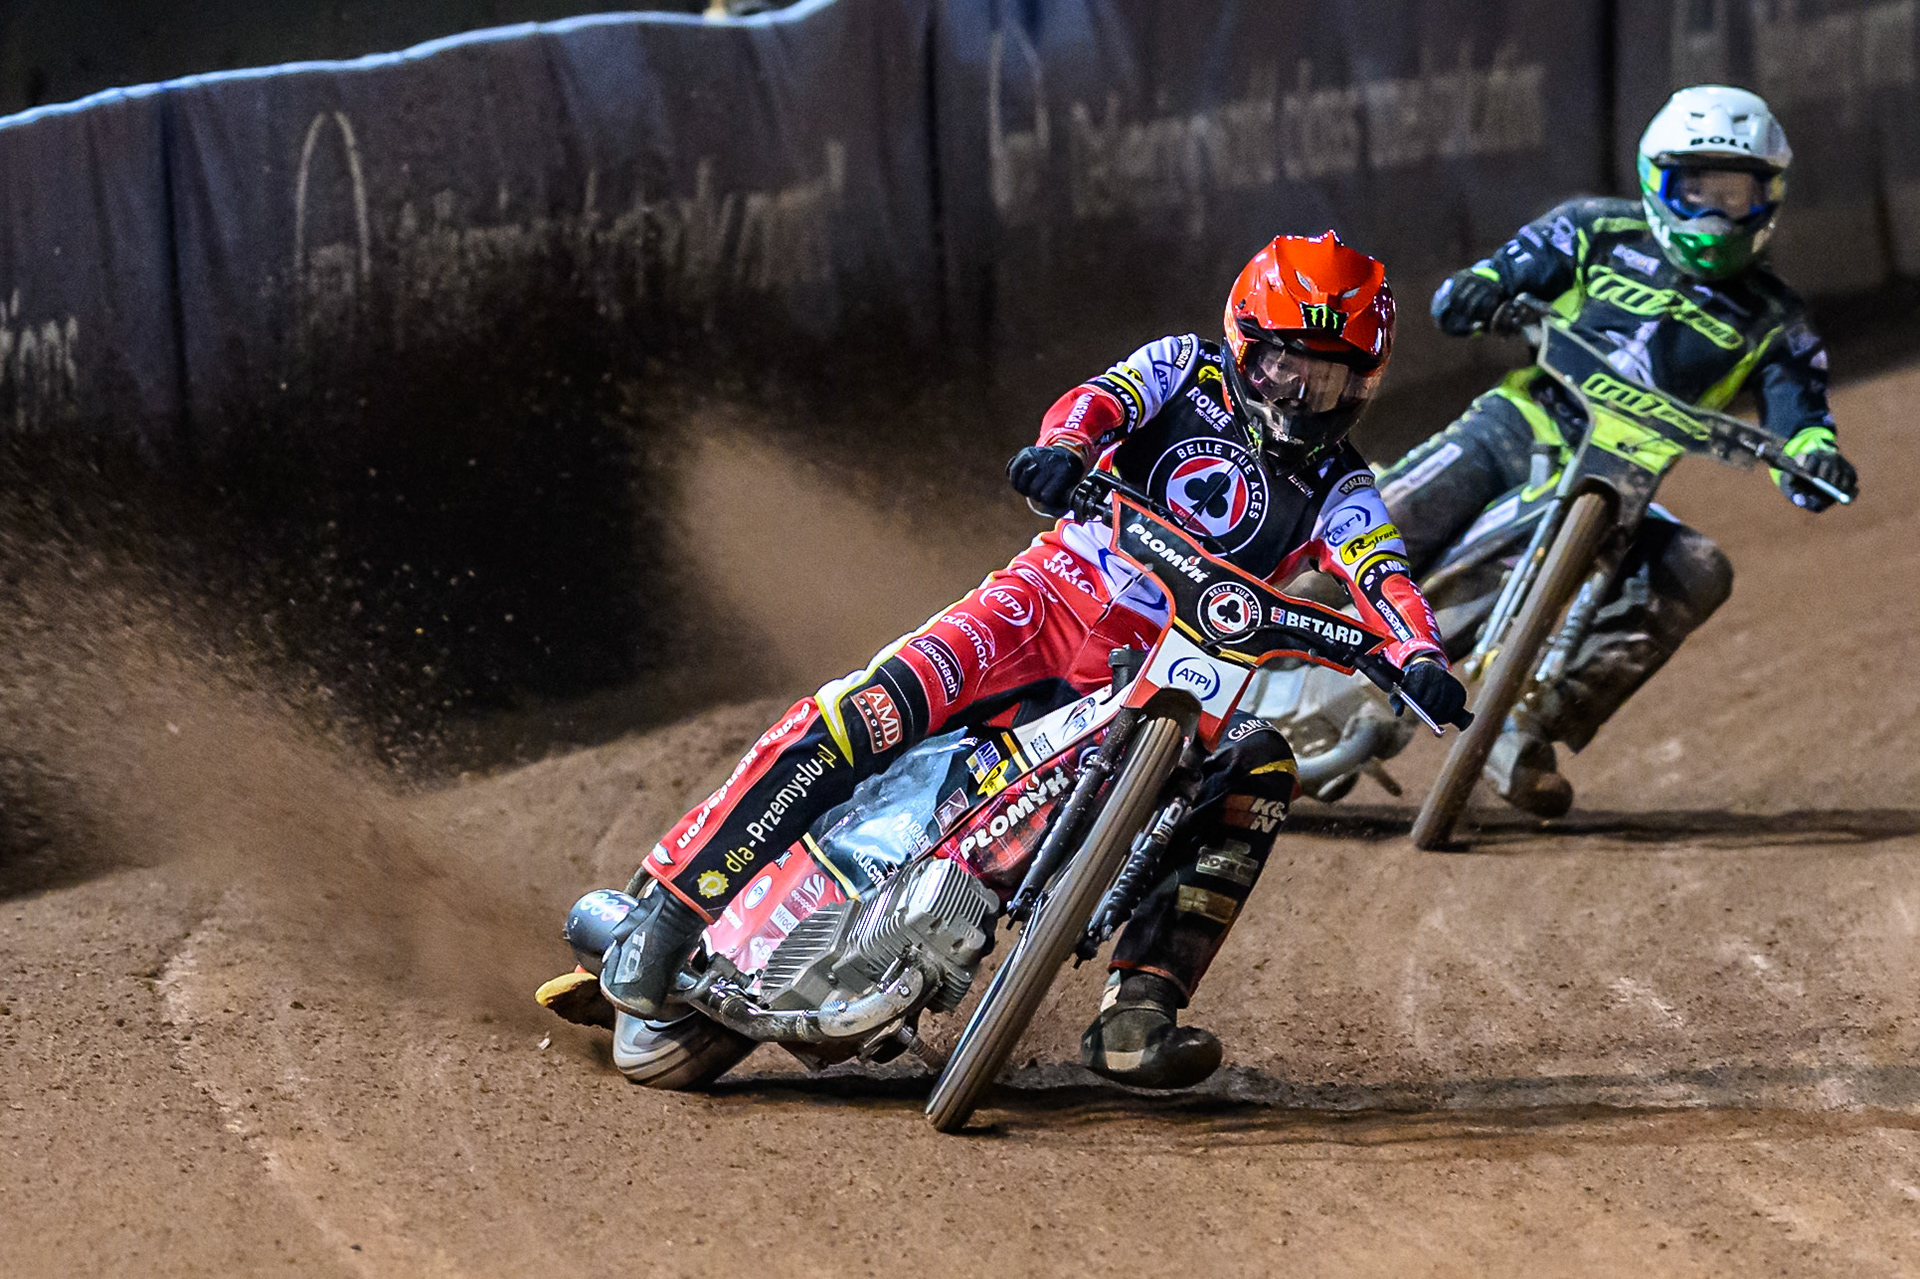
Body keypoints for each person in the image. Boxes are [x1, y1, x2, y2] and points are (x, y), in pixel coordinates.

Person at [548, 231, 1464, 1089]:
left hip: (1169, 675)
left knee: (1258, 764)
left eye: (1330, 379)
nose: (1301, 394)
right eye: (1284, 365)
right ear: (1243, 338)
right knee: (871, 706)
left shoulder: (1342, 487)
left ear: (1364, 385)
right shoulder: (1179, 366)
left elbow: (1383, 574)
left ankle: (1137, 1012)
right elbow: (1098, 402)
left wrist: (1417, 651)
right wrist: (1064, 449)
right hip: (1043, 602)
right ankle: (668, 914)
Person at [1378, 84, 1859, 817]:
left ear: (1769, 199)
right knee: (1366, 531)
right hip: (1518, 427)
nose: (1712, 212)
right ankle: (1216, 639)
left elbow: (1801, 412)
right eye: (1694, 189)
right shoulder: (1591, 229)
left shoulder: (1774, 317)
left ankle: (1528, 723)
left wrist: (1814, 457)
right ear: (1654, 180)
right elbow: (1499, 274)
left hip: (1623, 485)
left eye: (1734, 194)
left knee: (1697, 567)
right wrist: (1477, 290)